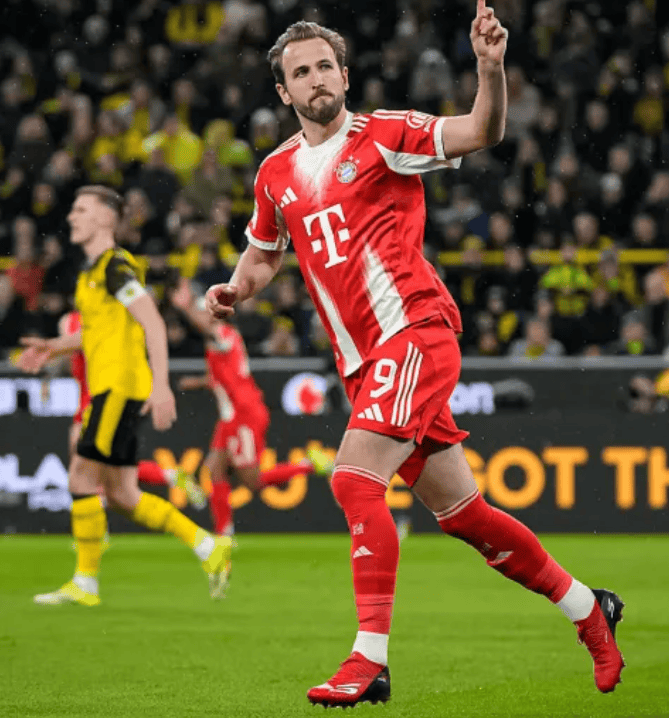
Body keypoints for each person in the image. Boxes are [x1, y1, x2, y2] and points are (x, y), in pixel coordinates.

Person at [205, 7, 625, 707]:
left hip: (415, 333)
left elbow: (481, 131)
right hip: (365, 362)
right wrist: (236, 288)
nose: (316, 79)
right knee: (464, 514)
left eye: (325, 66)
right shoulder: (275, 172)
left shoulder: (385, 134)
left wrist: (489, 69)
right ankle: (589, 608)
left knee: (352, 479)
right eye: (301, 72)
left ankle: (369, 660)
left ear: (345, 75)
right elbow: (264, 252)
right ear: (284, 91)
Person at [17, 185, 232, 605]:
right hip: (112, 388)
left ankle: (86, 582)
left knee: (81, 477)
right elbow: (95, 332)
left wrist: (162, 384)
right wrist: (52, 347)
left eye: (81, 210)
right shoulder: (92, 274)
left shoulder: (116, 267)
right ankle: (208, 545)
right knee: (121, 495)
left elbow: (152, 320)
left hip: (117, 387)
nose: (72, 217)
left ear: (105, 218)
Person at [170, 279, 332, 537]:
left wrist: (185, 307)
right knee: (214, 470)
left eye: (204, 312)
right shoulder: (219, 341)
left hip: (243, 413)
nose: (201, 317)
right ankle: (224, 533)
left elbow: (207, 330)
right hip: (231, 417)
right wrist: (196, 382)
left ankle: (309, 465)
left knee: (252, 481)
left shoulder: (222, 334)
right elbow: (221, 377)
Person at [57, 309, 208, 510]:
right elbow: (66, 356)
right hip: (87, 399)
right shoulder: (69, 321)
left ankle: (97, 510)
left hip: (108, 398)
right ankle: (171, 476)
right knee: (107, 467)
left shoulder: (110, 319)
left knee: (85, 462)